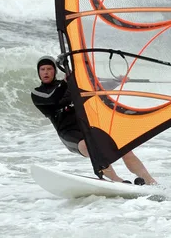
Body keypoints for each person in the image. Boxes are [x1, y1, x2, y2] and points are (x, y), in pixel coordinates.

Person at [31, 55, 156, 184]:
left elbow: (94, 85)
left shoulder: (69, 84)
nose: (46, 72)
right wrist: (66, 82)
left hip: (85, 127)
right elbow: (53, 98)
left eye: (49, 69)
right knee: (89, 146)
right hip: (69, 134)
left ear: (54, 71)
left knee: (122, 146)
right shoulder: (38, 93)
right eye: (42, 69)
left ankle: (150, 181)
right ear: (39, 73)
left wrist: (116, 81)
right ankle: (117, 181)